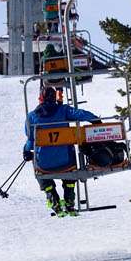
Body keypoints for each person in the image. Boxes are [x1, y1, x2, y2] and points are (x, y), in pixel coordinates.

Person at [24, 84, 98, 216]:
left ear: (40, 98)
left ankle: (52, 197)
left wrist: (26, 151)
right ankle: (69, 199)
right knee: (70, 155)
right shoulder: (63, 111)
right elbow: (79, 114)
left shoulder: (32, 117)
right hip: (66, 162)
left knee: (37, 164)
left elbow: (31, 138)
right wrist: (94, 119)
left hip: (44, 165)